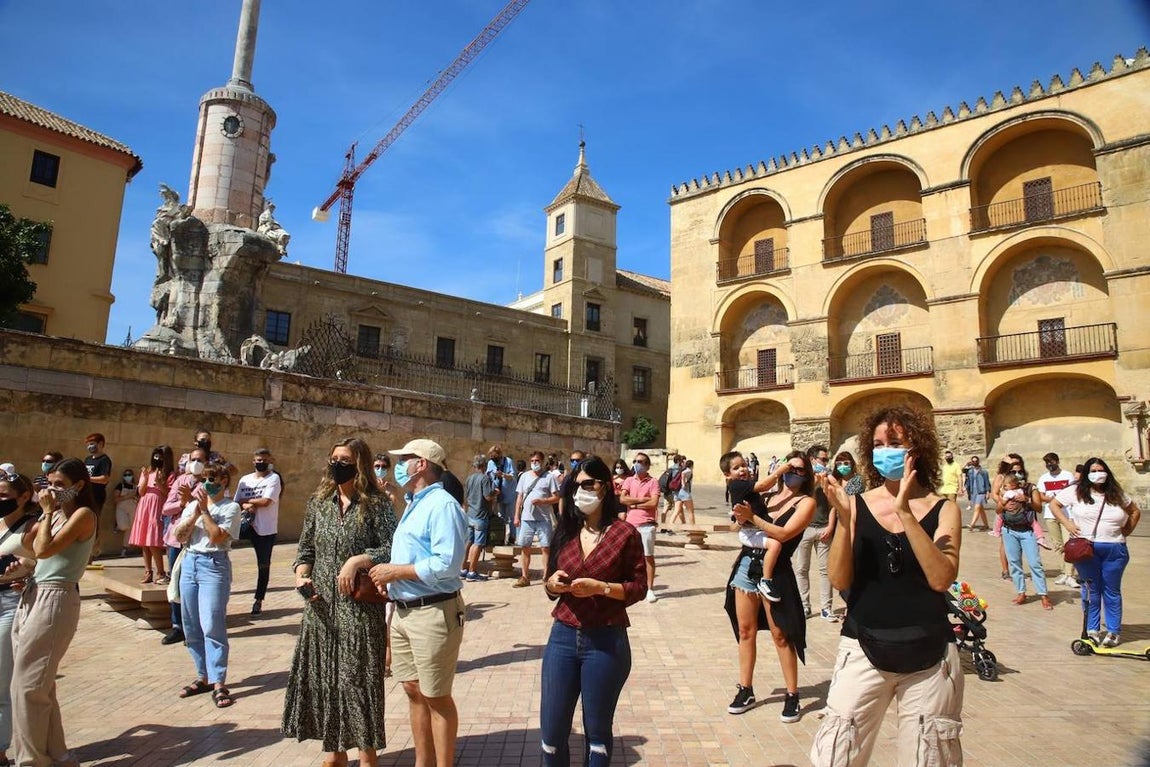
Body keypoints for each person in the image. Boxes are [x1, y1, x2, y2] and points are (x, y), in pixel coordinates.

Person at [811, 406, 963, 767]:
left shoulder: (944, 510)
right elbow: (839, 580)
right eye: (878, 444)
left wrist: (906, 513)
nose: (884, 451)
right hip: (863, 646)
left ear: (916, 450)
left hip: (930, 655)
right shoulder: (857, 504)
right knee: (837, 755)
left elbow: (941, 578)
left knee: (927, 759)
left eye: (894, 442)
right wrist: (846, 522)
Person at [282, 437, 397, 767]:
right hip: (321, 609)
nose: (336, 464)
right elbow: (305, 551)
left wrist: (358, 559)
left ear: (359, 464)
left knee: (358, 683)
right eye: (333, 458)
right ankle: (335, 753)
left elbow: (392, 547)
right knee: (328, 681)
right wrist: (301, 575)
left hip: (359, 609)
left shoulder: (375, 504)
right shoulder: (319, 502)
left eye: (344, 459)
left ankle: (367, 756)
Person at [540, 456, 647, 765]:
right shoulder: (565, 531)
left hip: (606, 639)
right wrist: (553, 585)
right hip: (562, 635)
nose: (580, 492)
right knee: (551, 733)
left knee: (597, 735)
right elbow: (548, 585)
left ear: (604, 487)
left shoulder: (625, 534)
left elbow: (638, 587)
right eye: (575, 486)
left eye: (588, 484)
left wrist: (601, 587)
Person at [369, 438, 468, 767]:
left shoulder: (442, 505)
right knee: (413, 690)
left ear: (421, 464)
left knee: (436, 695)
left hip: (434, 611)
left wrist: (396, 572)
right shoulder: (414, 502)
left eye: (405, 459)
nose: (398, 465)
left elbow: (446, 565)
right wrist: (391, 580)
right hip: (405, 611)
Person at [12, 457, 98, 767]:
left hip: (56, 599)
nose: (52, 489)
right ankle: (58, 756)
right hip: (33, 593)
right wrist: (19, 571)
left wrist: (47, 511)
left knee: (27, 688)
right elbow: (36, 558)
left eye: (60, 484)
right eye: (50, 482)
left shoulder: (83, 515)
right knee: (40, 684)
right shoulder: (57, 517)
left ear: (79, 486)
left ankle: (31, 761)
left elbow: (44, 549)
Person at [723, 450, 814, 722]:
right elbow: (738, 528)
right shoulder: (766, 496)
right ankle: (746, 689)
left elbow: (784, 535)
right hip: (746, 566)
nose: (792, 473)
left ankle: (792, 694)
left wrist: (753, 518)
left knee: (781, 634)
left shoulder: (806, 503)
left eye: (799, 470)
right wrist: (741, 519)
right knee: (745, 631)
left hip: (777, 572)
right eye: (789, 467)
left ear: (806, 475)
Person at [1050, 457, 1141, 647]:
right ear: (1086, 474)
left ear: (1107, 472)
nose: (1098, 474)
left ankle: (1114, 631)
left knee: (1111, 590)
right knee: (1091, 590)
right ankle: (1092, 629)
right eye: (1093, 470)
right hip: (1086, 548)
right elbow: (1054, 505)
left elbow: (1134, 511)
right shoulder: (1076, 492)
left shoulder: (1116, 493)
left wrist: (1126, 531)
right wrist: (1067, 523)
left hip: (1114, 548)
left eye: (1101, 470)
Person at [171, 461, 241, 708]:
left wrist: (204, 511)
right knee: (191, 624)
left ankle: (219, 681)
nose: (207, 483)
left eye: (213, 478)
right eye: (205, 479)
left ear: (224, 482)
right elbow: (178, 536)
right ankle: (203, 676)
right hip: (190, 562)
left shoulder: (231, 508)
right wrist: (192, 513)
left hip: (214, 564)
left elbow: (216, 537)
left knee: (212, 621)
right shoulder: (192, 505)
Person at [0, 473, 38, 767]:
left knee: (2, 681)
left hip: (11, 603)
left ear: (23, 496)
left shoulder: (32, 528)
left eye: (3, 494)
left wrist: (24, 569)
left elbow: (46, 567)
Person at [159, 446, 208, 645]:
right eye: (193, 459)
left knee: (193, 585)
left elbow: (206, 510)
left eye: (200, 460)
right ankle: (177, 625)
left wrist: (188, 500)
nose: (196, 463)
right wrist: (181, 503)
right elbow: (166, 509)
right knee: (176, 582)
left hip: (195, 541)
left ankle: (193, 628)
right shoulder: (180, 481)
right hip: (175, 539)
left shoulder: (207, 485)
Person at [235, 448, 282, 616]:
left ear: (269, 460)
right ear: (253, 461)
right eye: (258, 460)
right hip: (246, 524)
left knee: (263, 564)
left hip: (265, 528)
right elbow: (236, 501)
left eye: (264, 460)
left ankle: (258, 599)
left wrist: (247, 502)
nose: (260, 463)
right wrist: (246, 504)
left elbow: (267, 501)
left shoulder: (274, 478)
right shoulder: (244, 480)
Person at [796, 444, 837, 622]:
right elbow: (800, 500)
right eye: (823, 459)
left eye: (827, 459)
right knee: (801, 569)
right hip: (804, 528)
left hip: (823, 528)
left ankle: (826, 608)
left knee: (825, 570)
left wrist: (830, 526)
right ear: (812, 460)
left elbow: (834, 504)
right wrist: (815, 483)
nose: (826, 462)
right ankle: (804, 605)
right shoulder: (803, 480)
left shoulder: (829, 479)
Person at [513, 451, 561, 588]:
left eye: (537, 460)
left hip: (543, 518)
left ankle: (546, 575)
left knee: (545, 547)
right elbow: (519, 498)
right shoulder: (524, 477)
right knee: (525, 547)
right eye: (533, 460)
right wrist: (516, 515)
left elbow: (556, 497)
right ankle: (524, 576)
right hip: (527, 518)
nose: (535, 463)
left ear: (542, 461)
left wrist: (543, 500)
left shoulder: (549, 477)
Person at [619, 453, 662, 603]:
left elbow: (653, 503)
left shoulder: (653, 482)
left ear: (648, 465)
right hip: (630, 523)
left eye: (641, 462)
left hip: (646, 524)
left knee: (647, 556)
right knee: (628, 557)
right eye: (636, 461)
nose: (638, 464)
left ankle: (649, 588)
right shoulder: (629, 480)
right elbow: (623, 499)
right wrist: (641, 500)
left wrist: (634, 504)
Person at [129, 445, 175, 585]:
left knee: (153, 541)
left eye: (161, 456)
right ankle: (148, 570)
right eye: (155, 455)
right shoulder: (149, 470)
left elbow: (168, 493)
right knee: (144, 541)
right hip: (144, 506)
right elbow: (141, 492)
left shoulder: (170, 474)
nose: (157, 458)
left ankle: (160, 572)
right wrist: (144, 477)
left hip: (157, 507)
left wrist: (160, 483)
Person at [1037, 452, 1077, 587]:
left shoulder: (1067, 475)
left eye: (1051, 462)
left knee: (1069, 544)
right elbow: (1041, 496)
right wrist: (1054, 499)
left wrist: (1059, 500)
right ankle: (1064, 572)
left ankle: (1070, 575)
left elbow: (1072, 492)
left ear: (1057, 461)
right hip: (1050, 515)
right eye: (1047, 462)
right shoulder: (1043, 478)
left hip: (1067, 514)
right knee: (1058, 545)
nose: (1049, 465)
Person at [462, 454, 496, 581]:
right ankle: (472, 571)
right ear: (484, 465)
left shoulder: (469, 478)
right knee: (478, 544)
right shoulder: (485, 479)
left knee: (468, 542)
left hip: (470, 513)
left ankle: (463, 568)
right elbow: (487, 496)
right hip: (480, 515)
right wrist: (495, 493)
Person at [486, 445, 517, 546]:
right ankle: (501, 537)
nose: (494, 460)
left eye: (495, 457)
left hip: (509, 494)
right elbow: (487, 475)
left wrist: (502, 474)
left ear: (500, 455)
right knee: (501, 517)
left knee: (511, 517)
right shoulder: (491, 463)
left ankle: (512, 537)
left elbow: (512, 476)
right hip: (498, 494)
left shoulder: (508, 462)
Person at [82, 432, 112, 512]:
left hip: (96, 496)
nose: (89, 447)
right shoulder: (87, 459)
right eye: (88, 445)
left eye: (92, 444)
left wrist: (87, 478)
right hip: (85, 494)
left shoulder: (104, 460)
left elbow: (104, 479)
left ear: (101, 444)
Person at [112, 467, 138, 556]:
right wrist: (128, 496)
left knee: (130, 529)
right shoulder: (120, 486)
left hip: (133, 508)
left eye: (129, 475)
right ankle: (118, 526)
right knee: (124, 526)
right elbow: (115, 499)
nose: (128, 477)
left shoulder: (136, 487)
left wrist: (135, 497)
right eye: (126, 475)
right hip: (121, 508)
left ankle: (124, 550)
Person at [962, 456, 990, 531]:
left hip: (981, 491)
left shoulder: (984, 471)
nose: (975, 462)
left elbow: (987, 482)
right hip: (973, 492)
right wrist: (964, 488)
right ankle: (986, 525)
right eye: (973, 461)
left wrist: (988, 492)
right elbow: (964, 473)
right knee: (981, 509)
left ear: (978, 461)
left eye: (976, 461)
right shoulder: (970, 471)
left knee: (977, 507)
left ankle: (972, 524)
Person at [669, 458, 695, 525]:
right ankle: (693, 527)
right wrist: (683, 483)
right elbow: (683, 474)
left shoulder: (682, 469)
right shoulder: (688, 470)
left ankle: (670, 524)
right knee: (690, 511)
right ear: (692, 465)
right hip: (684, 492)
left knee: (676, 511)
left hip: (677, 492)